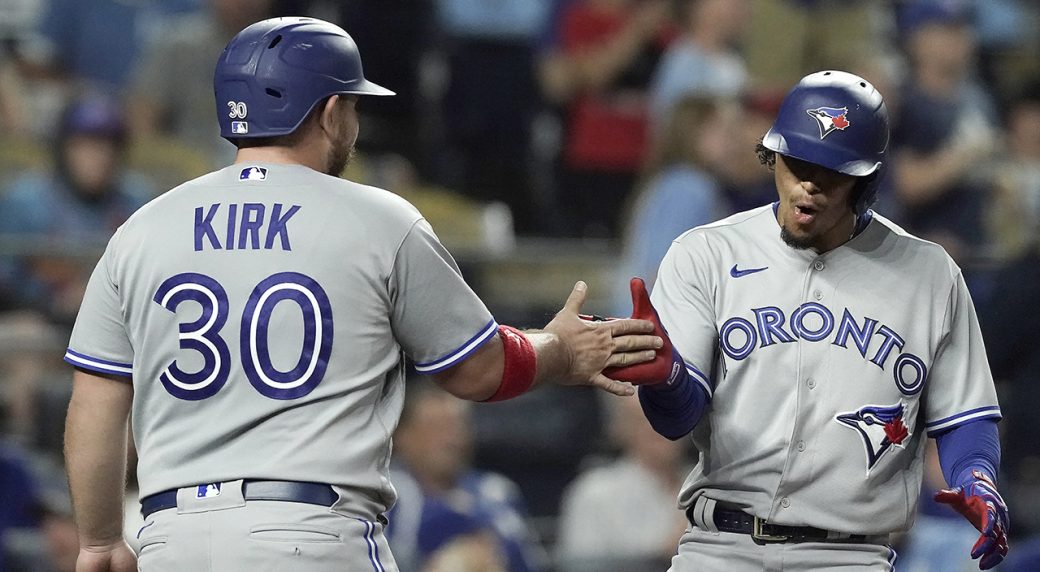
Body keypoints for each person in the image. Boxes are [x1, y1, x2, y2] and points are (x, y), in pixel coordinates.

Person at [60, 17, 661, 572]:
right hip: (312, 534)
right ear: (328, 112)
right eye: (351, 104)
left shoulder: (140, 230)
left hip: (171, 537)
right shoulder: (378, 219)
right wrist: (559, 348)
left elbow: (95, 402)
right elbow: (479, 371)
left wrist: (99, 539)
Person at [633, 70, 1010, 570]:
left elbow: (966, 416)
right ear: (773, 156)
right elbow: (675, 418)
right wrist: (663, 377)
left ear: (866, 179)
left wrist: (977, 477)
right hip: (720, 548)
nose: (807, 186)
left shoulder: (930, 274)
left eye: (830, 173)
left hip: (850, 556)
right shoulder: (707, 254)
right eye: (795, 164)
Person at [387, 383, 547, 572]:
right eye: (436, 427)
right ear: (402, 436)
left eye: (457, 426)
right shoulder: (384, 491)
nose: (451, 439)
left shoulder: (495, 490)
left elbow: (528, 562)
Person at [555, 393, 689, 571]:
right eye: (643, 421)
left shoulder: (713, 484)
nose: (658, 430)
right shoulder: (594, 493)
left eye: (669, 416)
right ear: (619, 429)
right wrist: (665, 553)